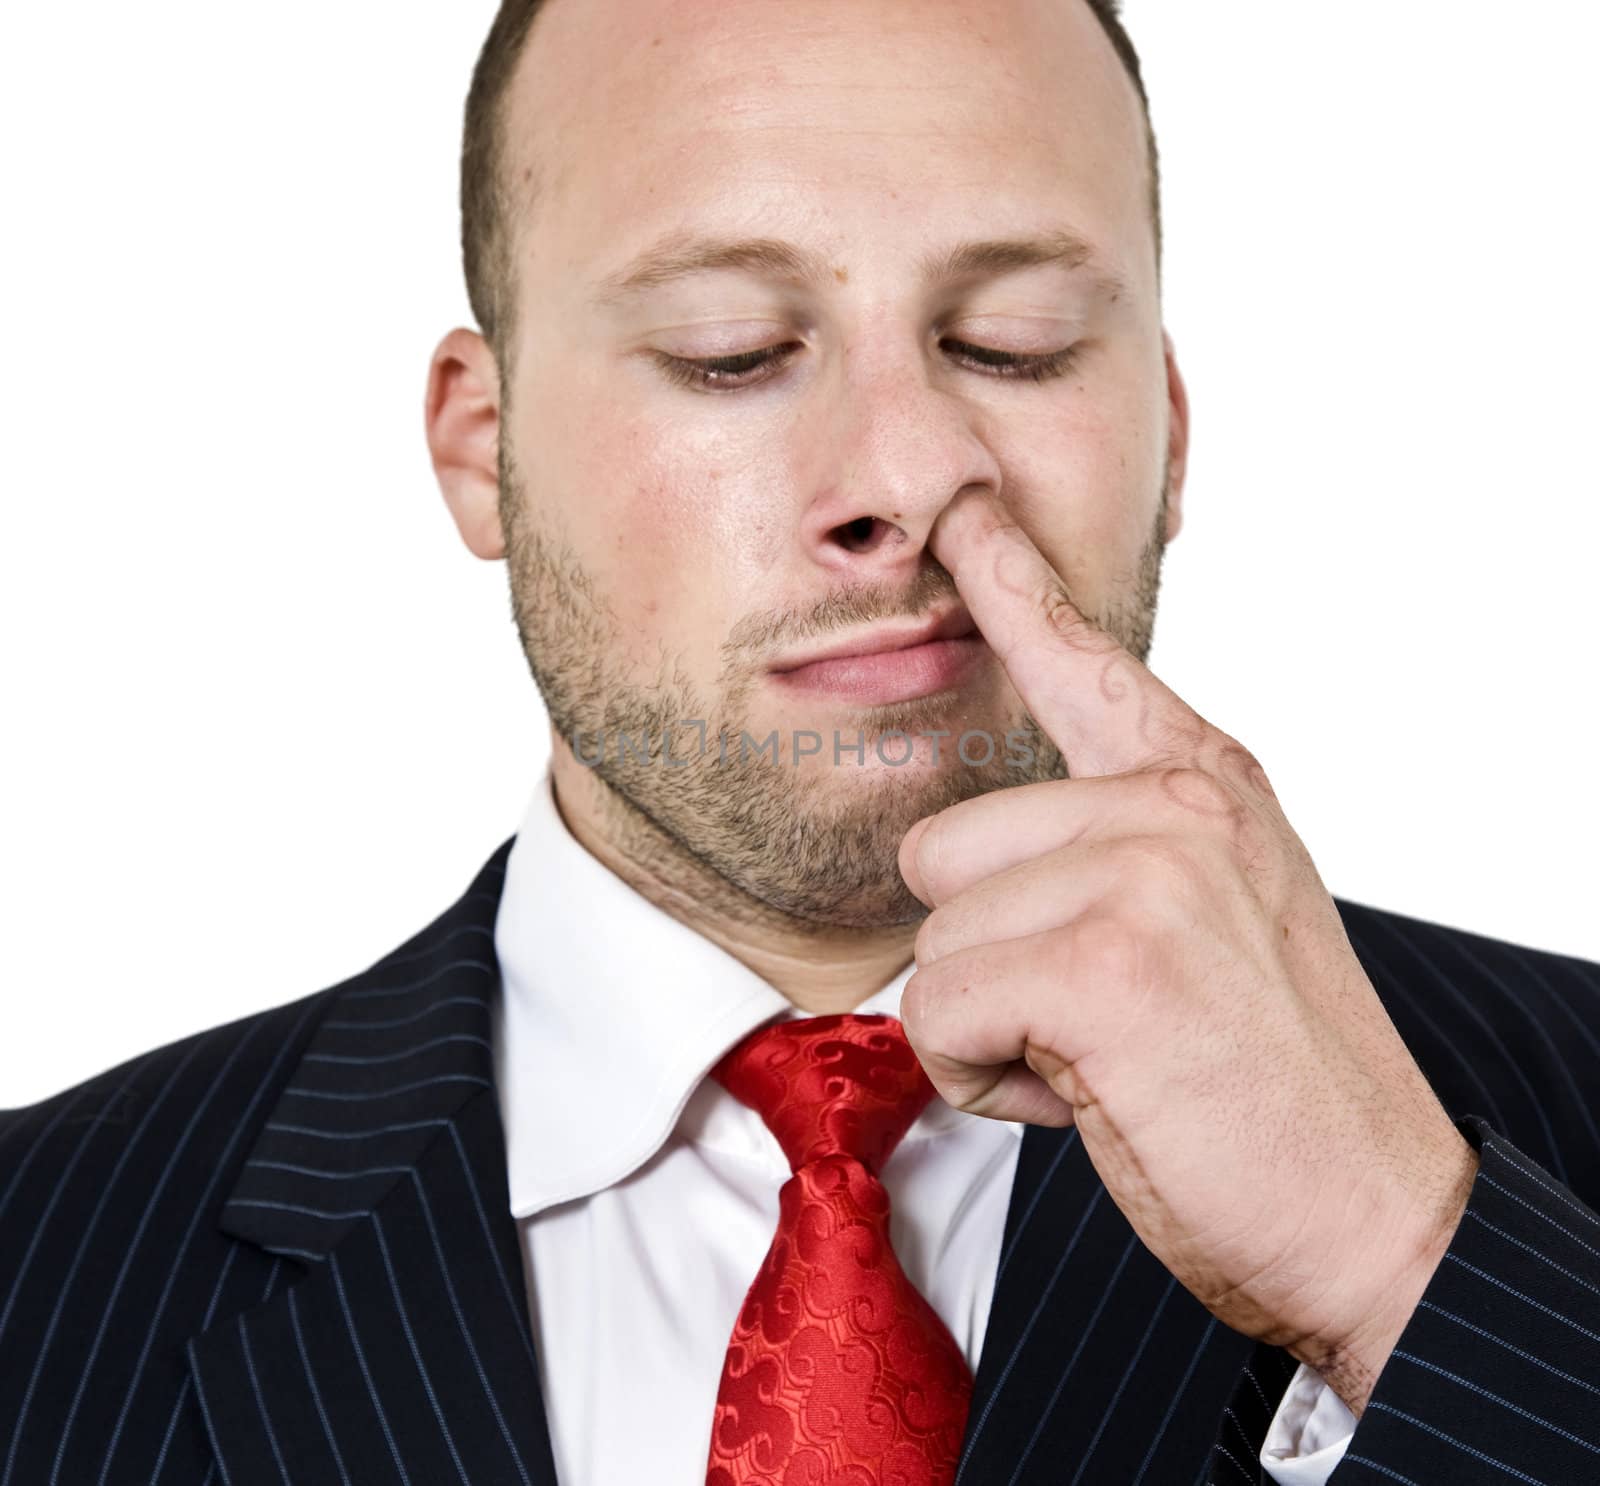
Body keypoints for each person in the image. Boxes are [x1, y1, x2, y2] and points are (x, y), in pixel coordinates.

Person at [3, 1, 1598, 1482]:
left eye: (1016, 342)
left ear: (1169, 435)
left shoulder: (1554, 1115)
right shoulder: (37, 1264)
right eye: (730, 351)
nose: (900, 480)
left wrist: (1410, 1272)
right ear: (484, 453)